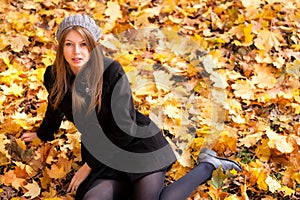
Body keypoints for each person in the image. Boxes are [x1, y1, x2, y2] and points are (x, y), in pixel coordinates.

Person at [21, 14, 242, 200]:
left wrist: (89, 165)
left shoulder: (111, 73)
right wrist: (43, 135)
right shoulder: (54, 75)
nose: (76, 51)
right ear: (61, 46)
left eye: (83, 44)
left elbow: (124, 128)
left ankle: (207, 166)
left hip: (136, 146)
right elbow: (55, 106)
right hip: (103, 152)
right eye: (69, 44)